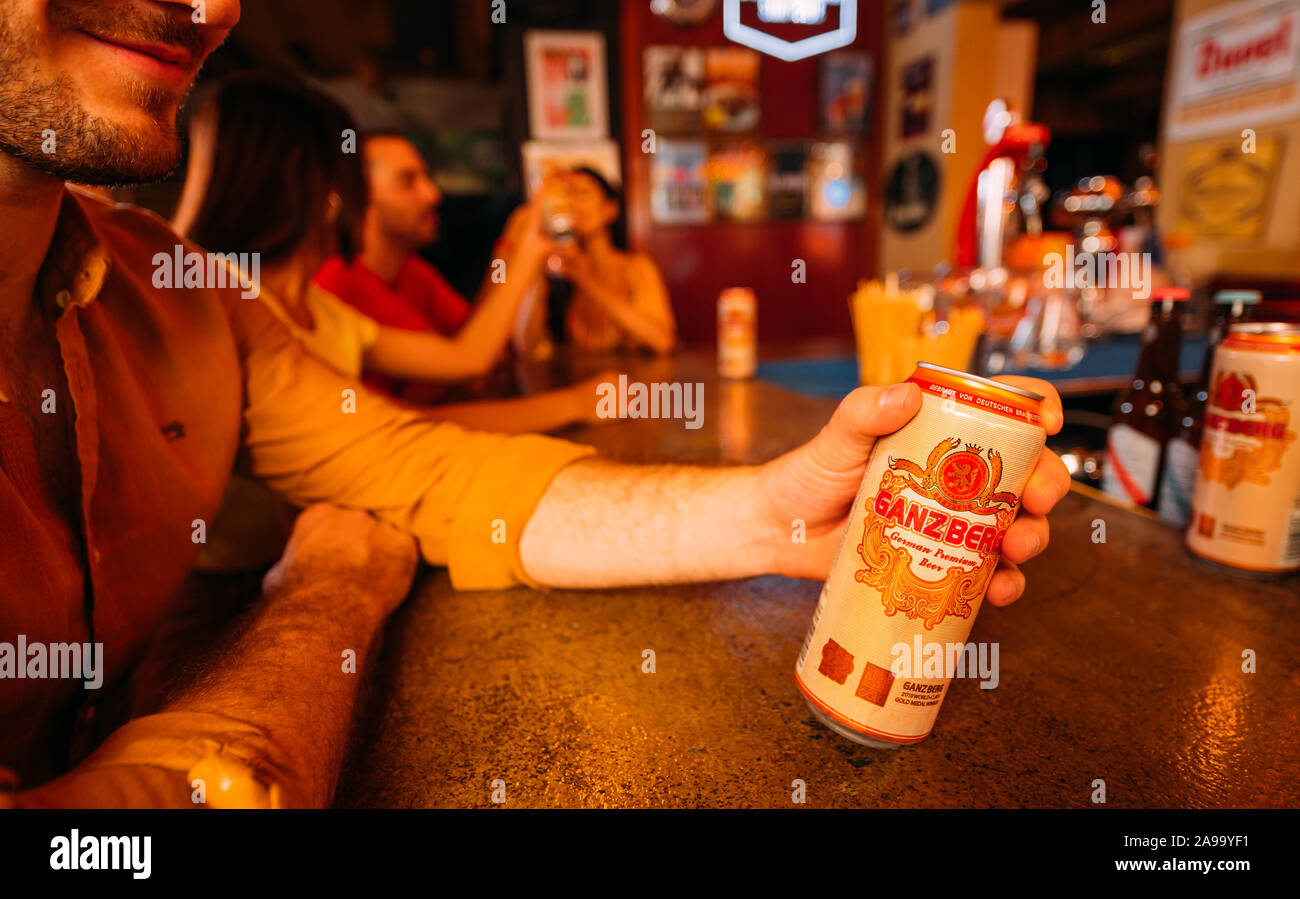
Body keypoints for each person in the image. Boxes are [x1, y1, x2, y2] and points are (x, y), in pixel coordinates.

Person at [0, 0, 1069, 808]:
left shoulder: (176, 291)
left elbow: (426, 467)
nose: (212, 6)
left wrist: (771, 512)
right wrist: (324, 594)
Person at [172, 75, 608, 435]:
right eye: (408, 181)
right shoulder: (266, 299)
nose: (433, 194)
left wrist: (521, 244)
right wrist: (573, 403)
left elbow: (469, 358)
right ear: (329, 193)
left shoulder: (320, 308)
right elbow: (394, 424)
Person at [311, 128, 608, 431]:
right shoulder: (340, 285)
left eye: (425, 177)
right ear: (361, 197)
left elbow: (482, 339)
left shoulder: (412, 272)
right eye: (408, 181)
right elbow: (467, 362)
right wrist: (532, 247)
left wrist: (508, 249)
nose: (432, 193)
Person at [513, 167, 677, 356]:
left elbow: (662, 340)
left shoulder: (636, 267)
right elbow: (525, 345)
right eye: (567, 195)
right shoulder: (557, 269)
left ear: (610, 209)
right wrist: (539, 269)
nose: (574, 203)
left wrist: (586, 281)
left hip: (626, 383)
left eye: (582, 193)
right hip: (581, 384)